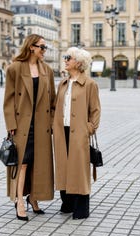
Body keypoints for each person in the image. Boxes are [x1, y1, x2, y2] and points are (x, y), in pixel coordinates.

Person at [3, 34, 55, 221]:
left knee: (38, 164)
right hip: (21, 126)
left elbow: (52, 101)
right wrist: (11, 125)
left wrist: (50, 123)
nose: (44, 50)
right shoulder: (15, 69)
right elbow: (8, 100)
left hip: (41, 126)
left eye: (45, 47)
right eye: (42, 47)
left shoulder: (47, 70)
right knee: (22, 164)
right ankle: (19, 201)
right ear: (31, 47)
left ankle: (34, 198)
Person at [52, 47, 101, 220]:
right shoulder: (63, 83)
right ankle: (67, 204)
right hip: (61, 132)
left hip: (79, 133)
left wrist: (89, 128)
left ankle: (81, 209)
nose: (65, 60)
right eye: (65, 57)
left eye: (68, 57)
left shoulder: (90, 84)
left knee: (79, 170)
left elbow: (95, 110)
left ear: (78, 63)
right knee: (64, 168)